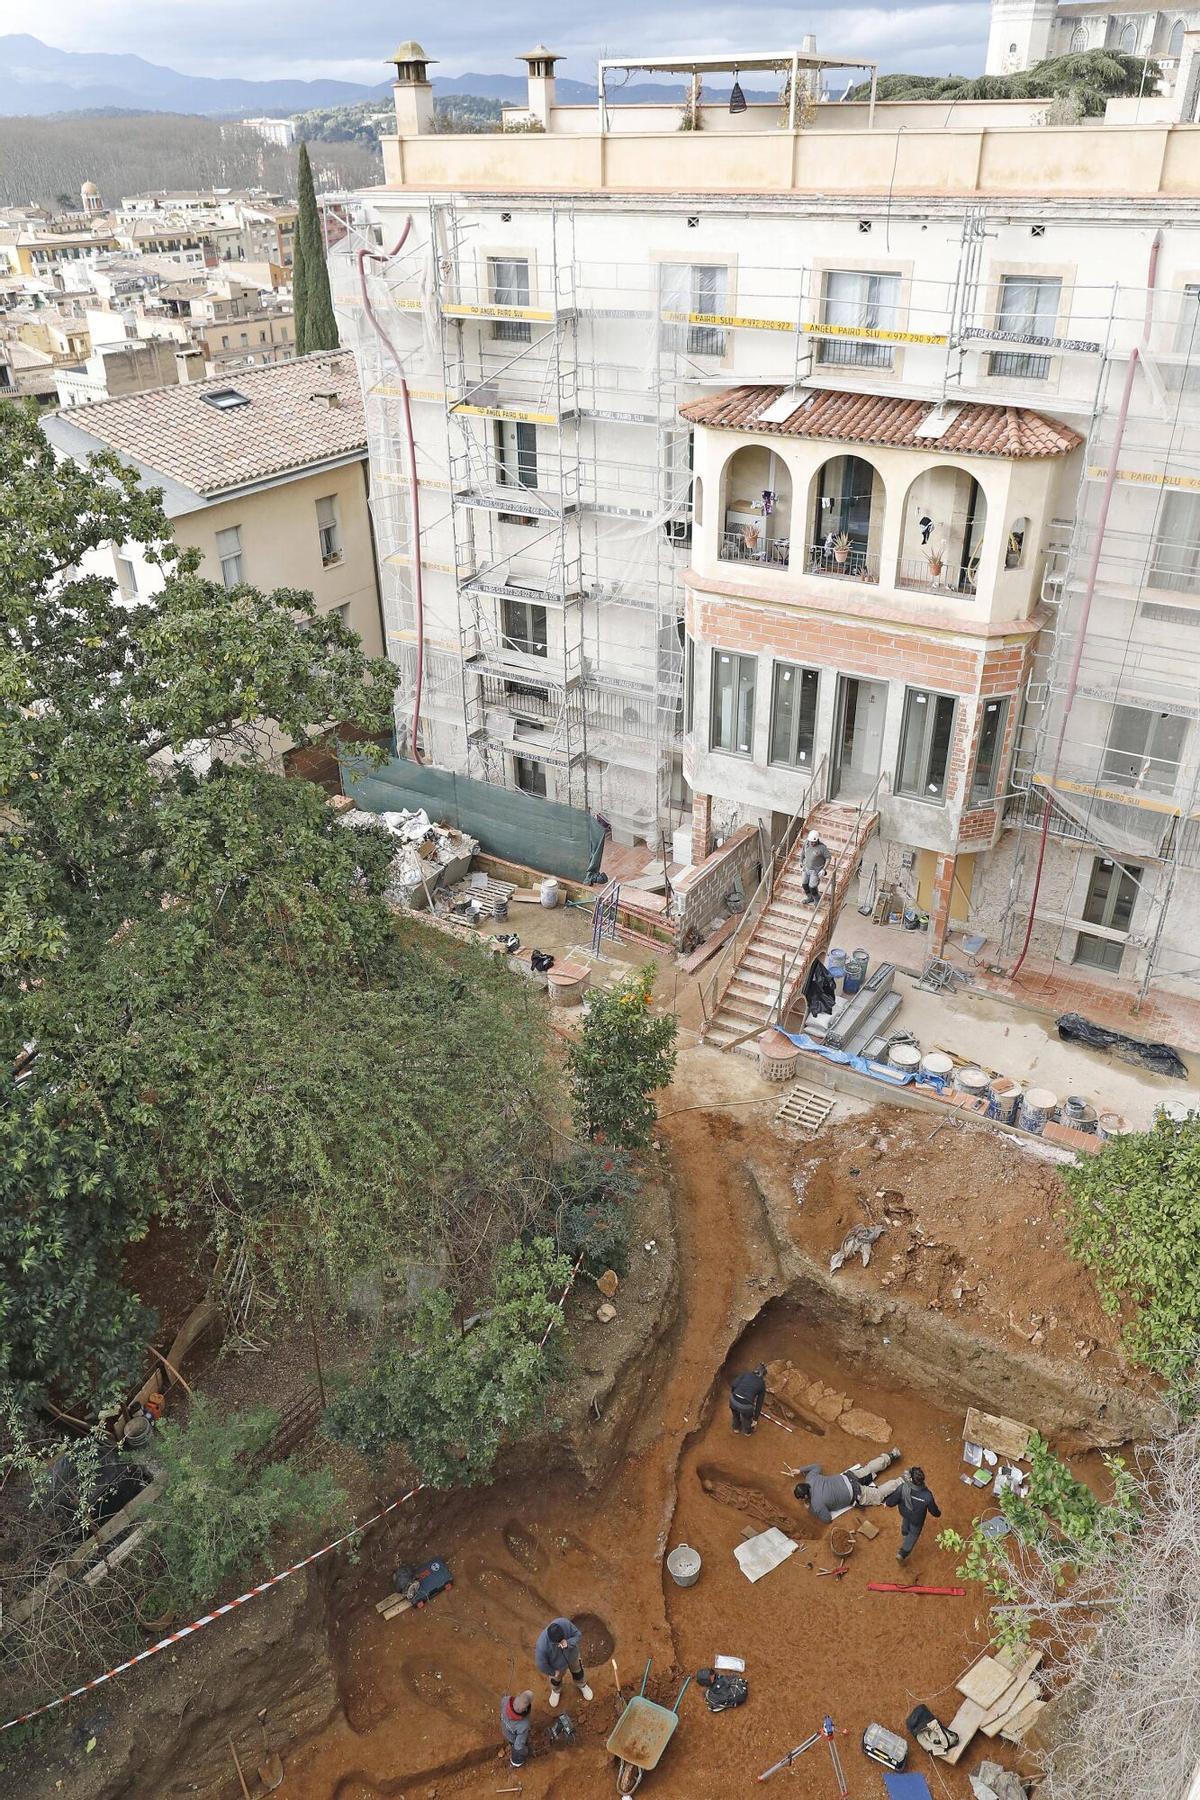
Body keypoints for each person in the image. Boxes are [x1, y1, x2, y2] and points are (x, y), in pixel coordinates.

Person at [793, 1449, 904, 1522]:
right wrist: (800, 1470)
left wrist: (810, 1509)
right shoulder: (810, 1478)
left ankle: (902, 1480)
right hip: (848, 1477)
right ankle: (891, 1455)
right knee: (868, 1469)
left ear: (805, 1497)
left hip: (855, 1493)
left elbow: (827, 1519)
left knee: (878, 1494)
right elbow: (816, 1467)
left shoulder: (816, 1504)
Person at [535, 1617, 593, 1709]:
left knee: (578, 1671)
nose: (562, 1643)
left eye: (562, 1639)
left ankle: (582, 1685)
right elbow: (541, 1664)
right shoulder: (542, 1646)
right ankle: (556, 1691)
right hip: (557, 1666)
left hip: (572, 1655)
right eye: (560, 1642)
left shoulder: (564, 1623)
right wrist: (553, 1672)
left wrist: (568, 1642)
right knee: (556, 1679)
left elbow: (578, 1635)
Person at [885, 1465, 941, 1562]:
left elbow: (891, 1502)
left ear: (911, 1479)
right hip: (917, 1519)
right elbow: (934, 1512)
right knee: (914, 1533)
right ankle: (902, 1553)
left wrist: (887, 1502)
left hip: (904, 1512)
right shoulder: (927, 1495)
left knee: (906, 1520)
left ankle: (904, 1532)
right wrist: (938, 1513)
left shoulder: (903, 1488)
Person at [729, 1364, 767, 1434]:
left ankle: (736, 1428)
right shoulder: (762, 1384)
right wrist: (755, 1419)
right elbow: (759, 1403)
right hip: (746, 1406)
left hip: (733, 1400)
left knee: (735, 1415)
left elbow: (734, 1384)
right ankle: (747, 1432)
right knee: (747, 1418)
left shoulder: (746, 1374)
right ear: (763, 1375)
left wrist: (733, 1395)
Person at [500, 1691, 534, 1768]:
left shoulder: (505, 1700)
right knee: (518, 1749)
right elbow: (519, 1745)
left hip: (505, 1731)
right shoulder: (524, 1724)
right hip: (514, 1738)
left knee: (512, 1741)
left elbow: (501, 1704)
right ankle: (515, 1762)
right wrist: (523, 1750)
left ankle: (511, 1744)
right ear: (525, 1710)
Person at [801, 831, 829, 905]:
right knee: (804, 884)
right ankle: (810, 897)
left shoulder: (822, 848)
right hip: (806, 868)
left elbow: (828, 858)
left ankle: (817, 899)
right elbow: (803, 853)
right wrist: (801, 862)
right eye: (811, 842)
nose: (812, 843)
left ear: (817, 840)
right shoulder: (806, 843)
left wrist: (824, 869)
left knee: (812, 887)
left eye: (813, 842)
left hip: (815, 870)